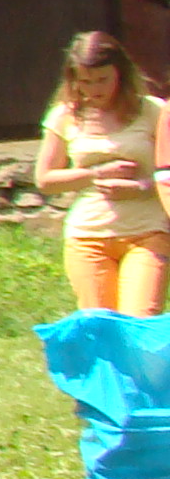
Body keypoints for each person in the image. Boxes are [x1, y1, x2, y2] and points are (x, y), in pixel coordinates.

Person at [37, 29, 170, 315]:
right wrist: (96, 174)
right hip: (88, 236)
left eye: (103, 79)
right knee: (100, 325)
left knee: (139, 321)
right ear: (73, 79)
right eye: (85, 81)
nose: (95, 89)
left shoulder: (154, 111)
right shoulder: (64, 116)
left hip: (147, 232)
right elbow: (45, 180)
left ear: (120, 74)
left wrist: (143, 186)